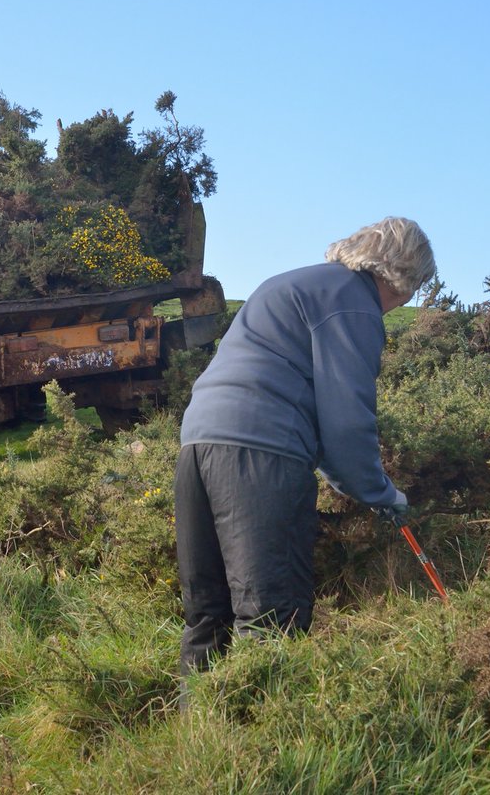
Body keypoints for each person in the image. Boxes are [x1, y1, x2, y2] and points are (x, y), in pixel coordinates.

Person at [175, 217, 435, 674]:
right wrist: (380, 493)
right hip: (260, 455)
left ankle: (199, 741)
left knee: (207, 617)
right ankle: (262, 744)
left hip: (198, 443)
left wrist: (344, 478)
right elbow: (347, 419)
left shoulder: (295, 283)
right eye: (412, 288)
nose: (403, 302)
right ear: (404, 274)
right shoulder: (354, 303)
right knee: (271, 617)